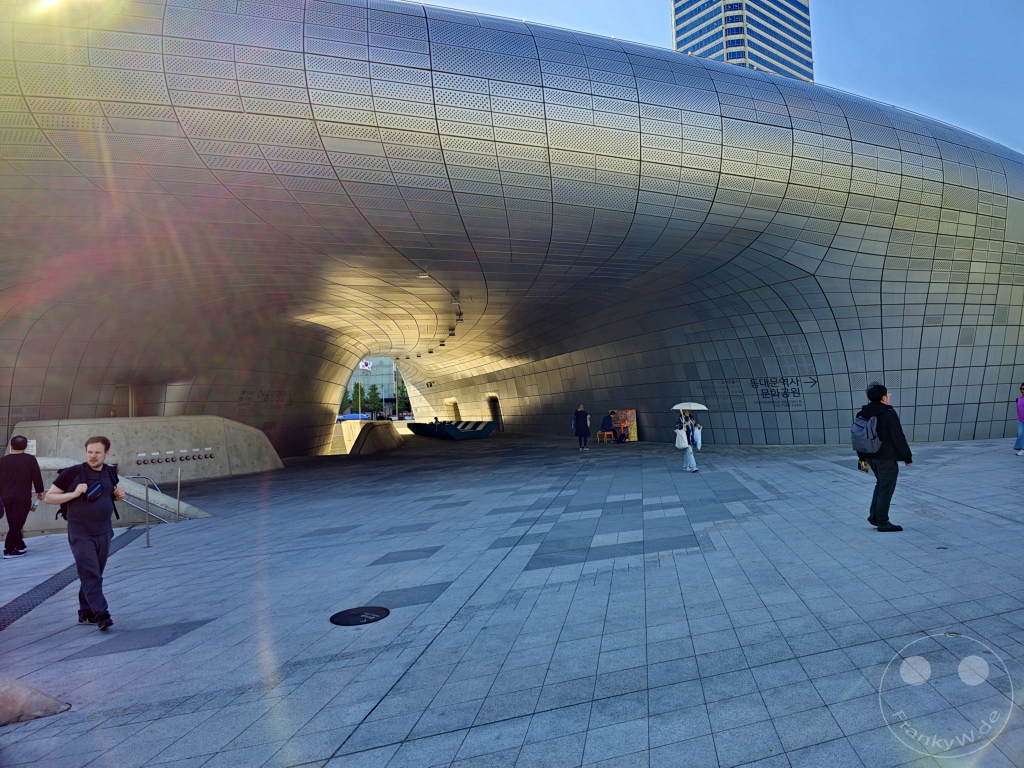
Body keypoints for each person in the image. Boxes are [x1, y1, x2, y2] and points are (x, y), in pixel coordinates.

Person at [44, 436, 126, 630]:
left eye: (97, 452)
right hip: (80, 533)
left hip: (104, 531)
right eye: (90, 452)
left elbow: (107, 496)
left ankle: (85, 612)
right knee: (90, 573)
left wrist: (118, 496)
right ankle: (102, 614)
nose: (93, 456)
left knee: (95, 573)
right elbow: (49, 497)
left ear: (106, 453)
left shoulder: (110, 473)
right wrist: (73, 494)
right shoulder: (72, 473)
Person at [855, 384, 912, 532]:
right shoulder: (888, 413)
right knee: (886, 487)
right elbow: (898, 436)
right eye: (888, 394)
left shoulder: (862, 413)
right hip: (886, 457)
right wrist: (907, 457)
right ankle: (882, 522)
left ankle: (874, 517)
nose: (889, 396)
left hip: (869, 456)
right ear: (883, 397)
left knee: (881, 484)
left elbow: (858, 437)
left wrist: (862, 460)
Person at [0, 435, 44, 559]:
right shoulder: (29, 459)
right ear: (26, 447)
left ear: (11, 446)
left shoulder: (2, 461)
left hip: (6, 496)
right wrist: (40, 491)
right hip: (22, 496)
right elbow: (36, 476)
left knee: (13, 522)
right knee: (17, 523)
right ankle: (9, 550)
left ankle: (19, 545)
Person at [1014, 383, 1024, 456]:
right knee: (1020, 434)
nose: (1022, 390)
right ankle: (1020, 448)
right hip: (1020, 420)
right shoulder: (1018, 399)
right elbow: (1018, 409)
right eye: (1021, 389)